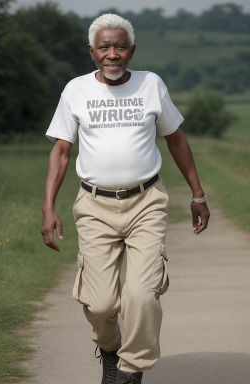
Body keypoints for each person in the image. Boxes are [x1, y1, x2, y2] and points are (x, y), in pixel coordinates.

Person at [41, 13, 210, 384]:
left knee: (142, 294)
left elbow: (176, 138)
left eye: (120, 47)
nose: (112, 53)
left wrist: (198, 194)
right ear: (91, 51)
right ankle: (111, 351)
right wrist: (48, 206)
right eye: (104, 47)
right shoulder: (76, 90)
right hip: (94, 205)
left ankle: (131, 370)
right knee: (99, 303)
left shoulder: (151, 85)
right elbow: (62, 151)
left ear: (132, 51)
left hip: (146, 201)